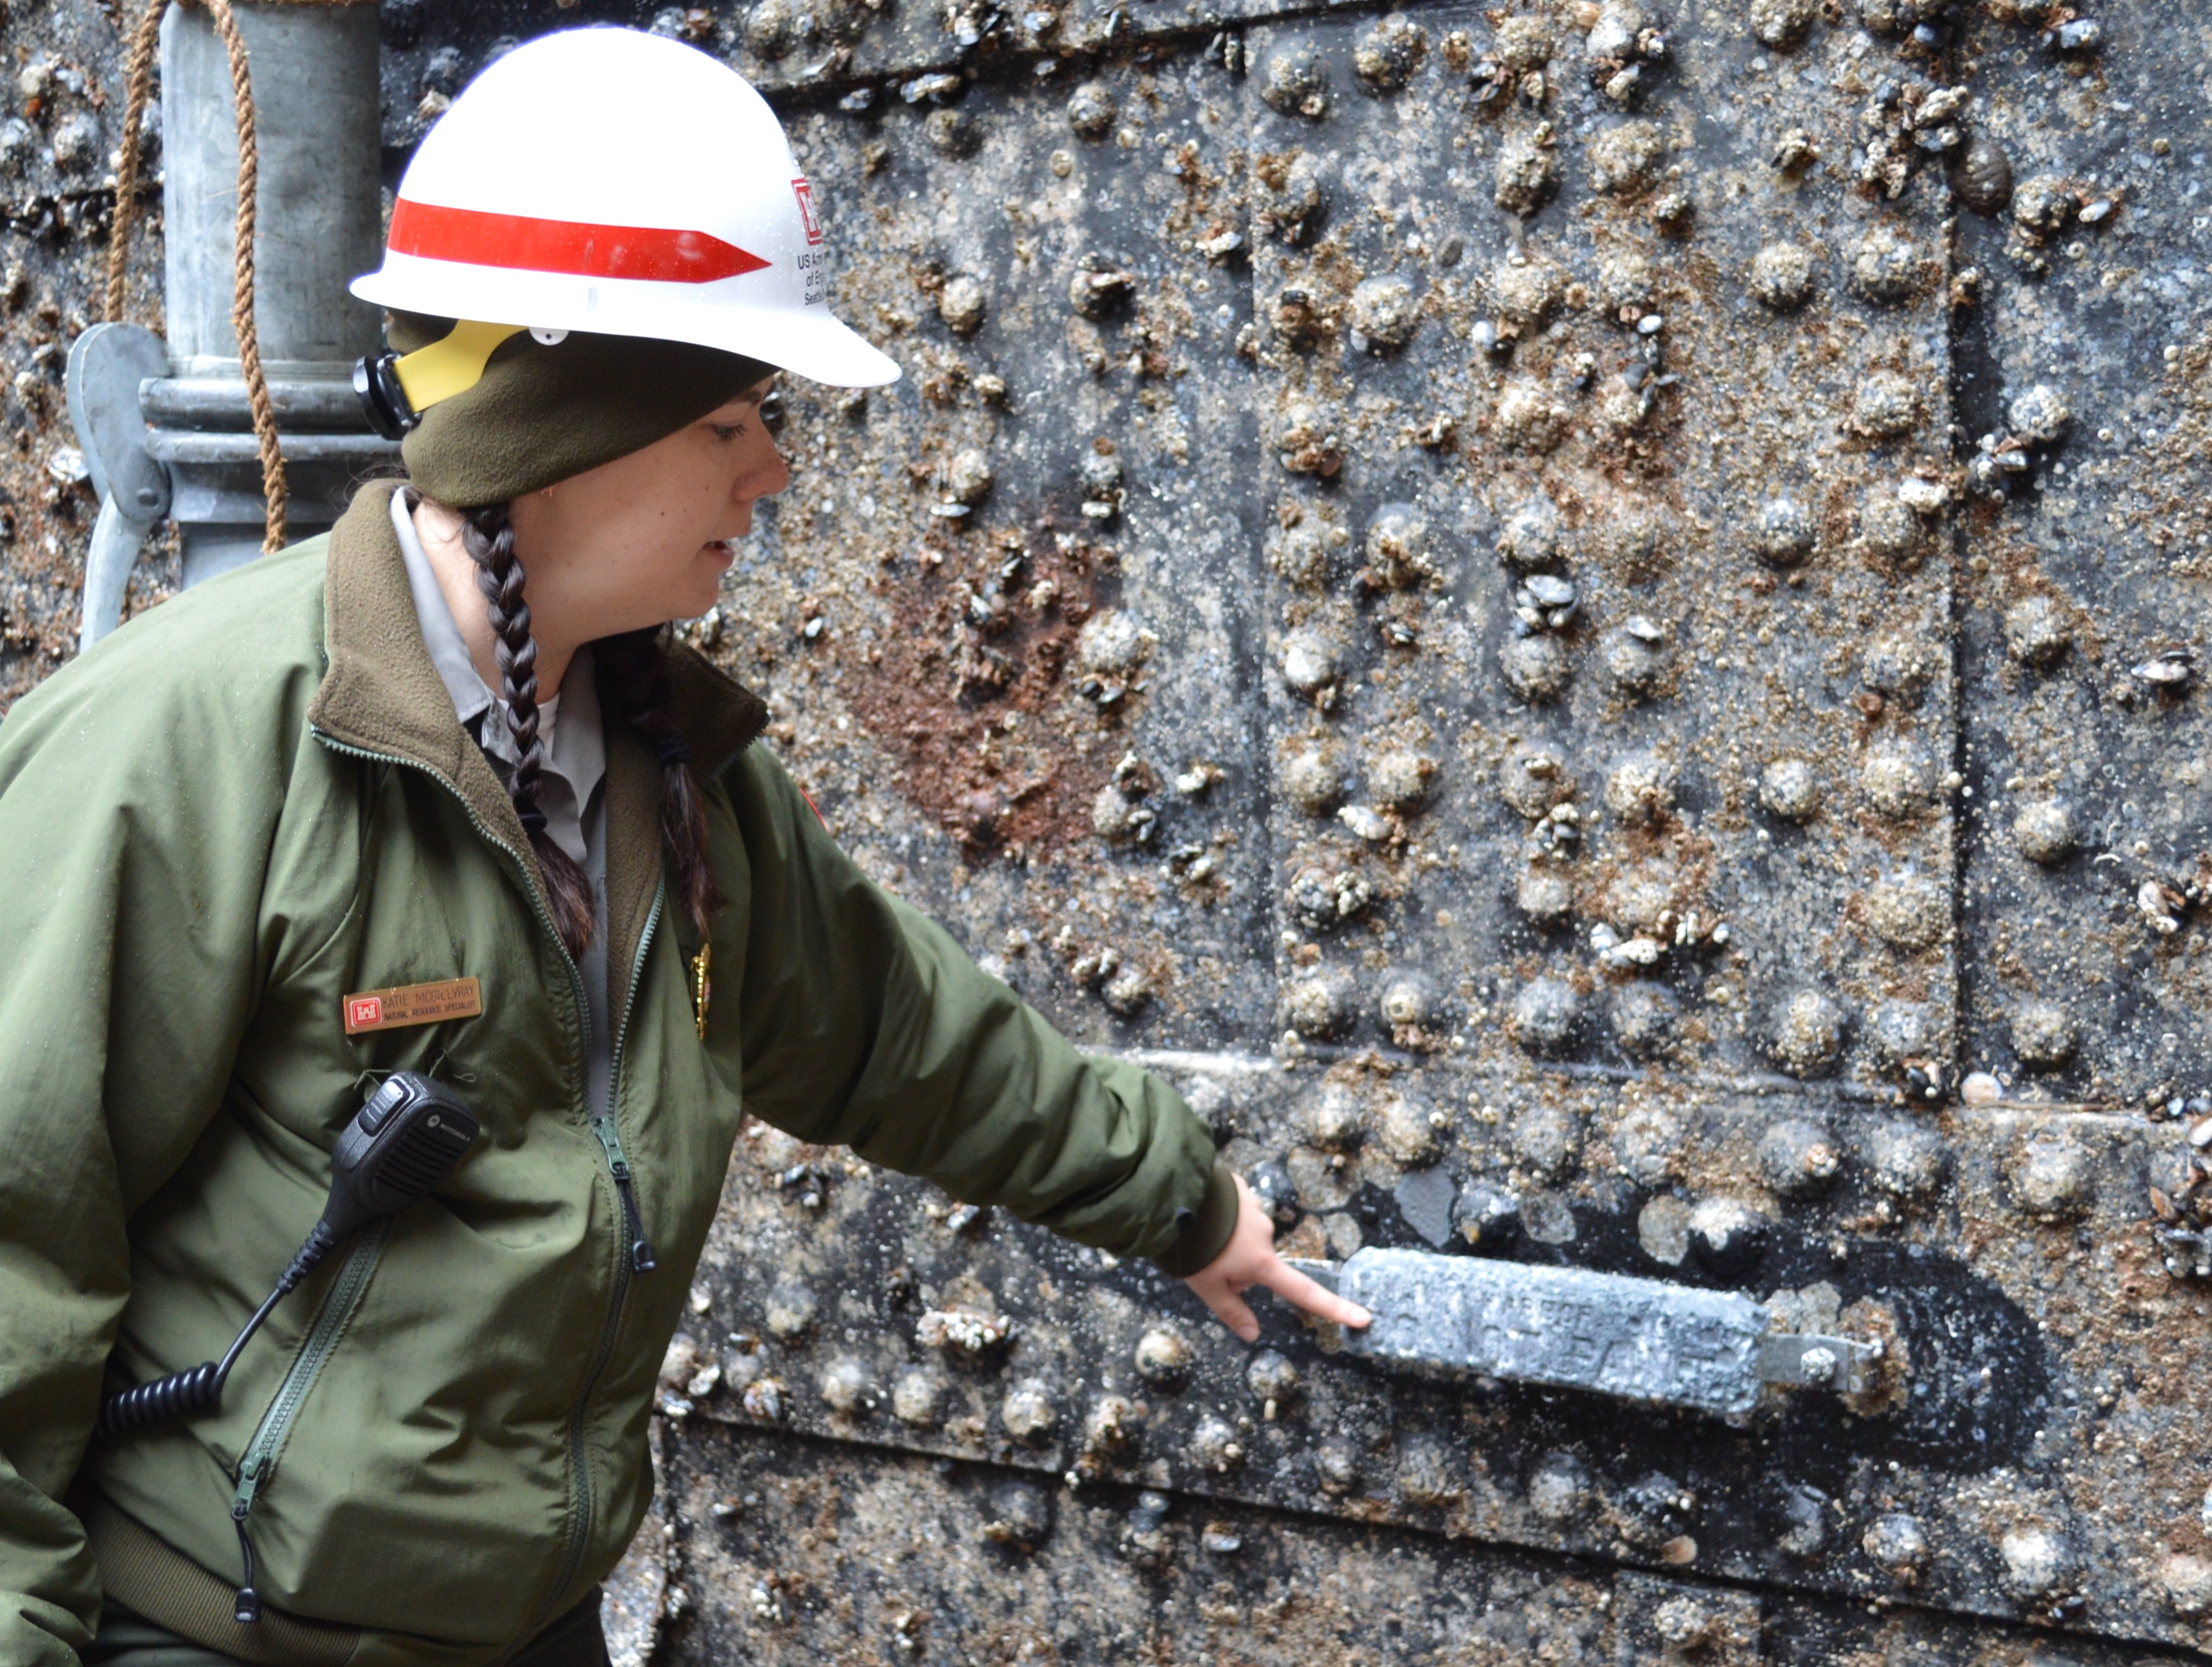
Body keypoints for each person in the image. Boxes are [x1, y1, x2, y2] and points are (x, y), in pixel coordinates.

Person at [0, 28, 1366, 1667]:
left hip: (531, 1623)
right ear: (565, 418)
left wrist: (1183, 1203)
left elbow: (894, 1034)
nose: (771, 471)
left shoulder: (667, 760)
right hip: (214, 1633)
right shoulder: (188, 743)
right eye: (729, 418)